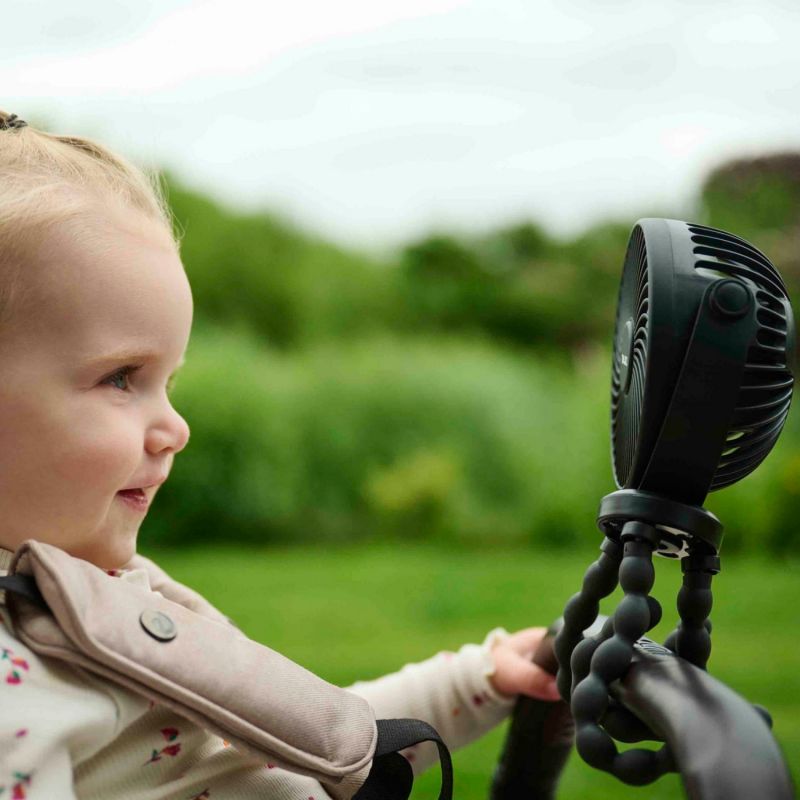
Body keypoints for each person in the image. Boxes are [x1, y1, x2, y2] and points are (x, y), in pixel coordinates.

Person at [0, 110, 560, 800]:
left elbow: (292, 743)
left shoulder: (99, 592)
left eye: (167, 383)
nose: (174, 426)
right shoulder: (15, 685)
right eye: (122, 378)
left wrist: (478, 681)